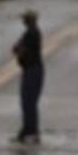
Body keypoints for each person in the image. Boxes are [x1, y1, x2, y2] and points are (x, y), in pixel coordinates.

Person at [11, 9, 44, 144]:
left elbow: (19, 49)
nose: (23, 21)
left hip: (33, 70)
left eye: (25, 19)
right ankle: (28, 130)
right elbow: (16, 48)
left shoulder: (32, 34)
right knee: (27, 102)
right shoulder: (29, 33)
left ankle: (31, 131)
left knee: (29, 102)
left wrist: (19, 49)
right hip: (30, 69)